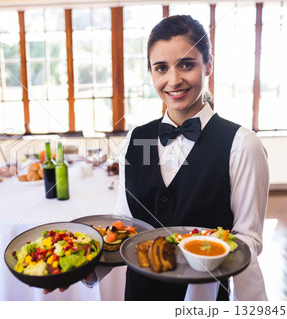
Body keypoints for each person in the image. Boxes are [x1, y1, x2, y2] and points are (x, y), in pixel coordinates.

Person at [113, 15, 269, 301]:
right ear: (151, 73)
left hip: (204, 296)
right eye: (161, 68)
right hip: (139, 294)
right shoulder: (138, 138)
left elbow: (248, 240)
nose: (173, 80)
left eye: (187, 64)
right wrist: (89, 268)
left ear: (209, 64)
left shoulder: (242, 144)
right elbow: (126, 224)